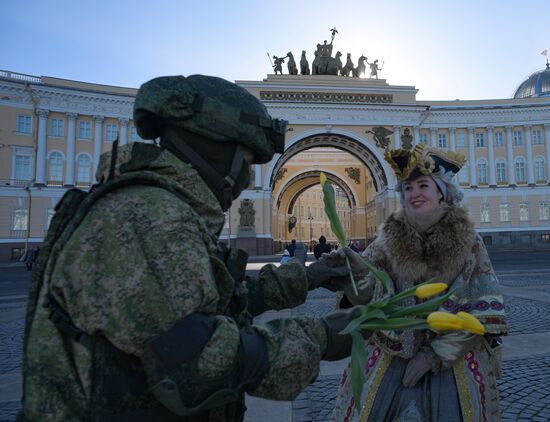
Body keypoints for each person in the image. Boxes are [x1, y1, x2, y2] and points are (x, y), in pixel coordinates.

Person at [20, 74, 366, 422]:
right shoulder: (148, 215)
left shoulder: (162, 206)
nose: (246, 179)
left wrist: (310, 276)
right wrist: (325, 336)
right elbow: (199, 362)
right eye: (245, 162)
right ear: (214, 150)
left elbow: (213, 298)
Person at [330, 143, 507, 422]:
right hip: (391, 357)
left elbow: (478, 309)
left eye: (423, 185)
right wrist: (352, 273)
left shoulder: (469, 243)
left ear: (442, 192)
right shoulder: (386, 240)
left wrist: (434, 356)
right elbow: (370, 296)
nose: (414, 194)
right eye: (408, 188)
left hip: (450, 363)